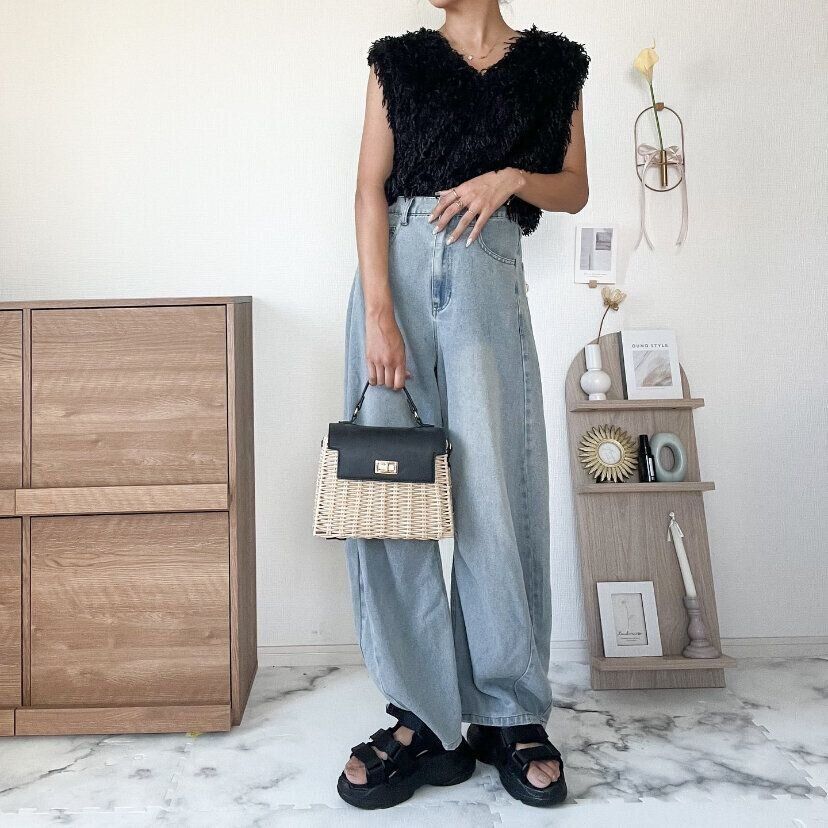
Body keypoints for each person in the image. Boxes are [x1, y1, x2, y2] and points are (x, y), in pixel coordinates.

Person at [338, 0, 590, 810]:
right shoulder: (396, 60)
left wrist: (511, 178)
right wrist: (381, 314)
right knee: (390, 501)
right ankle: (421, 718)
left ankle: (508, 712)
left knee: (497, 499)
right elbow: (368, 189)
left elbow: (575, 188)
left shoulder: (554, 65)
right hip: (398, 280)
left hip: (488, 276)